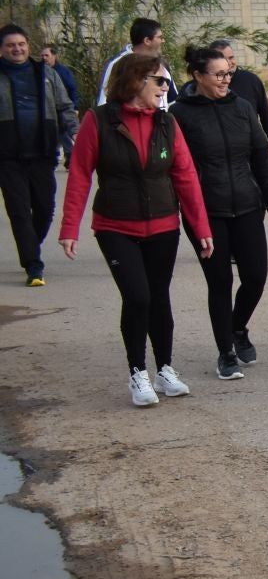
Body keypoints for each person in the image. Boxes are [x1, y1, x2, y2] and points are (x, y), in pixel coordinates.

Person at [58, 53, 213, 407]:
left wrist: (200, 226)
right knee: (138, 297)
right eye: (160, 80)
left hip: (163, 224)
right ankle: (137, 372)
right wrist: (70, 227)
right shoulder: (98, 121)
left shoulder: (167, 123)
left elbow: (186, 176)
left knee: (159, 297)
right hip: (115, 225)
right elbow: (80, 174)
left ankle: (165, 370)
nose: (166, 87)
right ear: (135, 80)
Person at [176, 45, 268, 380]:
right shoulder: (179, 114)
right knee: (219, 282)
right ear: (198, 76)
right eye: (219, 74)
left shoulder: (242, 108)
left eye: (229, 73)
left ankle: (237, 327)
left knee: (256, 277)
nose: (226, 80)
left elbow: (261, 158)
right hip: (206, 212)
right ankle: (225, 352)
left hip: (248, 205)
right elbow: (176, 168)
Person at [1, 24, 77, 286]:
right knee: (19, 211)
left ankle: (30, 244)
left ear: (28, 46)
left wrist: (75, 132)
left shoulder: (45, 73)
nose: (17, 49)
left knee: (45, 208)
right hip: (7, 157)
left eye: (21, 44)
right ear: (2, 49)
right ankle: (33, 264)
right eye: (11, 45)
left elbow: (64, 106)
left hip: (42, 153)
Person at [207, 38, 268, 162]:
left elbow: (265, 113)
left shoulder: (251, 80)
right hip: (218, 155)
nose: (229, 62)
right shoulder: (205, 86)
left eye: (231, 57)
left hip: (252, 151)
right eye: (224, 59)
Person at [97, 18, 177, 108]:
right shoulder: (118, 64)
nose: (163, 41)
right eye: (160, 37)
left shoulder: (162, 65)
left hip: (159, 117)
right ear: (147, 40)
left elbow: (172, 101)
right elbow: (104, 102)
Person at [40, 45, 80, 165]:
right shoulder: (41, 72)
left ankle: (70, 155)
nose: (44, 58)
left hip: (62, 107)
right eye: (42, 55)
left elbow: (72, 88)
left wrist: (75, 106)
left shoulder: (62, 71)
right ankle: (67, 155)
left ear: (54, 56)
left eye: (46, 55)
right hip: (50, 111)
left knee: (62, 132)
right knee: (60, 133)